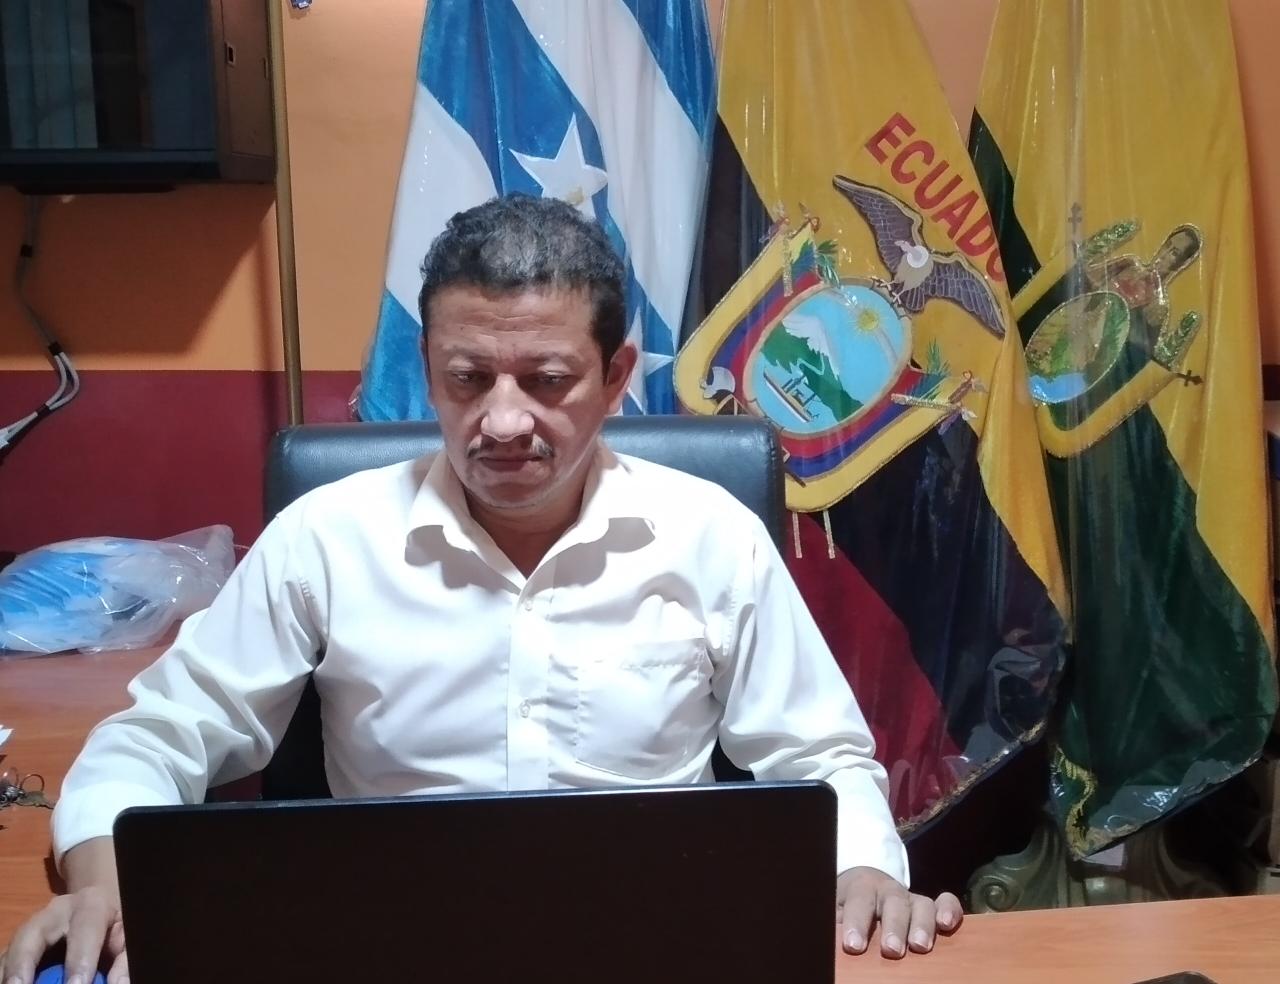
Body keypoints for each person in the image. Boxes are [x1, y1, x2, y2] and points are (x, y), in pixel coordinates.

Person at [0, 194, 961, 984]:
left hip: (656, 944)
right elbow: (157, 737)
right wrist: (103, 880)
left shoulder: (711, 538)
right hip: (386, 946)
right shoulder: (327, 540)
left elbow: (820, 753)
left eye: (547, 380)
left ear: (615, 377)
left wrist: (863, 869)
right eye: (468, 379)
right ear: (427, 371)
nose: (503, 422)